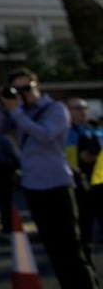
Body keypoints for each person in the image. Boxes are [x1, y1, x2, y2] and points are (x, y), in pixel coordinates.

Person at [0, 67, 100, 289]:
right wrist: (6, 106)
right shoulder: (18, 112)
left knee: (72, 249)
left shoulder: (55, 109)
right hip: (33, 185)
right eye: (17, 90)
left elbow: (45, 135)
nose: (24, 94)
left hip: (58, 184)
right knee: (53, 250)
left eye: (27, 88)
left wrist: (17, 112)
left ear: (37, 86)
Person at [68, 97, 103, 250]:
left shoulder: (92, 129)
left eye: (84, 108)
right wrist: (80, 158)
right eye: (78, 108)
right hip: (75, 183)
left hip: (96, 181)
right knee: (83, 223)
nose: (83, 111)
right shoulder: (63, 132)